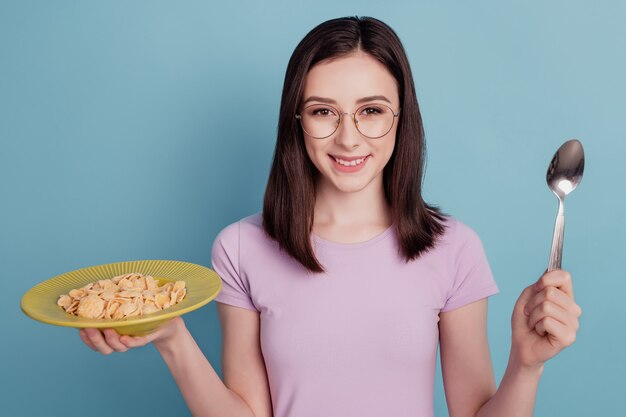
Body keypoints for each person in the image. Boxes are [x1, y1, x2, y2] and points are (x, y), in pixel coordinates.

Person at [79, 16, 582, 417]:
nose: (348, 137)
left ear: (401, 119)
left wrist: (526, 366)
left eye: (371, 110)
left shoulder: (455, 248)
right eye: (323, 111)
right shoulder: (238, 249)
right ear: (296, 122)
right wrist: (172, 339)